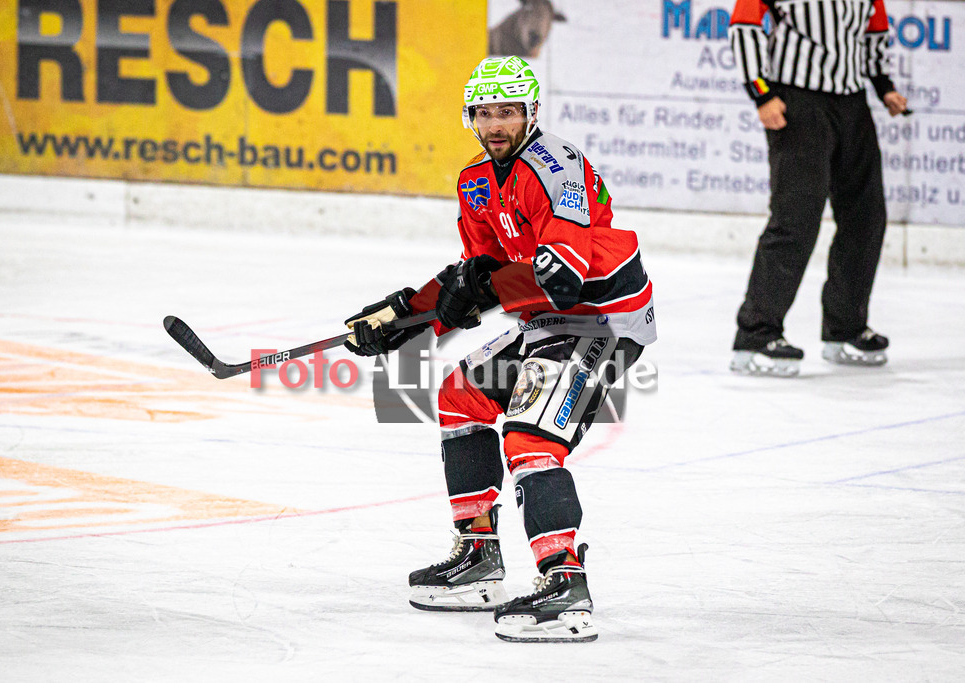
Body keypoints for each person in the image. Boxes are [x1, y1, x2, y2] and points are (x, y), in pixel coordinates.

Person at [344, 55, 656, 642]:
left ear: (531, 113)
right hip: (544, 322)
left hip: (601, 322)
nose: (495, 125)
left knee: (530, 437)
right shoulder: (476, 181)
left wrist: (479, 288)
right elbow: (476, 276)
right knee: (460, 396)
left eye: (508, 112)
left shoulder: (556, 167)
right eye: (484, 113)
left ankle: (565, 585)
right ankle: (478, 556)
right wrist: (404, 317)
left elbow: (562, 276)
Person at [728, 0, 908, 376]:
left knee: (866, 217)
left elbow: (873, 32)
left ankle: (846, 329)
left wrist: (884, 86)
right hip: (797, 99)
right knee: (796, 218)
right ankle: (756, 335)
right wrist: (762, 94)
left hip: (852, 103)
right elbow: (745, 26)